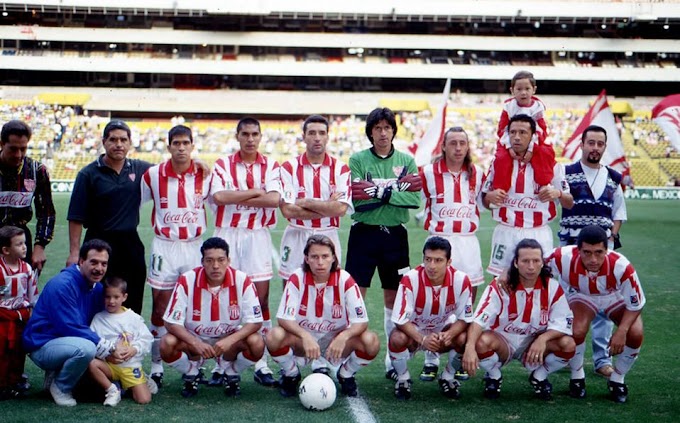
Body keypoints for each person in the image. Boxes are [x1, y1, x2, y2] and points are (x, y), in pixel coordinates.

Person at [346, 107, 421, 381]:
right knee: (355, 296)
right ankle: (347, 358)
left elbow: (414, 200)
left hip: (395, 236)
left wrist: (377, 192)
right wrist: (394, 190)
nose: (382, 132)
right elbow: (358, 201)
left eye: (387, 127)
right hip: (363, 234)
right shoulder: (357, 160)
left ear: (393, 130)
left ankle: (393, 360)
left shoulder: (406, 160)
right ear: (370, 132)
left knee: (394, 298)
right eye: (377, 128)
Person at [210, 117, 281, 387]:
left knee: (260, 300)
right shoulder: (223, 164)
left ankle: (260, 363)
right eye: (245, 134)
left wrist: (236, 194)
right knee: (225, 298)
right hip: (227, 234)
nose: (250, 139)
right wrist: (253, 192)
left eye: (255, 134)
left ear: (260, 137)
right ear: (237, 136)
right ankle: (222, 364)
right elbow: (220, 197)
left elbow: (274, 200)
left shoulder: (271, 165)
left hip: (257, 236)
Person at [140, 124, 211, 388]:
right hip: (164, 246)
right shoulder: (153, 175)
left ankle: (194, 365)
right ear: (168, 146)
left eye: (185, 143)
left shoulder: (206, 174)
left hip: (194, 246)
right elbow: (134, 202)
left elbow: (218, 202)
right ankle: (157, 366)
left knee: (194, 307)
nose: (181, 148)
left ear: (192, 145)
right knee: (160, 306)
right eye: (176, 143)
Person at [267, 235, 379, 398]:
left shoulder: (345, 279)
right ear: (306, 258)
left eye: (325, 256)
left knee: (371, 341)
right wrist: (305, 336)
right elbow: (284, 318)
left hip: (335, 342)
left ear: (333, 258)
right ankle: (291, 374)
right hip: (304, 342)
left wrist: (343, 337)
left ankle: (346, 374)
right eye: (314, 257)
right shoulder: (297, 278)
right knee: (273, 336)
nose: (320, 262)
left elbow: (361, 322)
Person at [463, 239, 575, 401]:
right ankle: (494, 376)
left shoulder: (552, 287)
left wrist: (543, 339)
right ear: (515, 263)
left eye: (536, 261)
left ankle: (539, 376)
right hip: (503, 342)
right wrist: (469, 347)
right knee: (480, 342)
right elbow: (479, 320)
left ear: (542, 263)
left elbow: (564, 320)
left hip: (533, 342)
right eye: (525, 261)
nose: (531, 266)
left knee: (568, 344)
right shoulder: (500, 286)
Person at [558, 124, 628, 379]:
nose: (595, 148)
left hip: (601, 254)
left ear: (604, 147)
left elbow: (618, 212)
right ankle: (568, 353)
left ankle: (601, 359)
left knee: (603, 305)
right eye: (591, 143)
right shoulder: (566, 173)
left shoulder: (614, 178)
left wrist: (610, 237)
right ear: (582, 144)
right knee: (568, 304)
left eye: (600, 143)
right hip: (571, 251)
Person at [547, 225, 645, 403]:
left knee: (635, 333)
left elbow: (636, 304)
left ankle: (617, 379)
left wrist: (621, 331)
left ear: (607, 249)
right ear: (578, 250)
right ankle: (577, 376)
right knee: (576, 330)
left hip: (614, 297)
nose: (593, 259)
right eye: (587, 252)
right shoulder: (561, 256)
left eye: (599, 252)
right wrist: (506, 275)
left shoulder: (622, 266)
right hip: (583, 295)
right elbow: (532, 260)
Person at [418, 126, 485, 381]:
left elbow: (486, 200)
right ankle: (431, 357)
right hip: (438, 242)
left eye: (462, 143)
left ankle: (457, 358)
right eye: (453, 143)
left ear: (468, 147)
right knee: (433, 302)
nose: (458, 148)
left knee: (466, 304)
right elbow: (414, 198)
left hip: (468, 243)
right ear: (444, 146)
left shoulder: (477, 173)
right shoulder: (427, 173)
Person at [23, 239, 125, 406]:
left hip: (66, 342)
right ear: (81, 261)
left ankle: (56, 375)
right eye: (94, 262)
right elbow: (70, 327)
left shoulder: (97, 288)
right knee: (87, 348)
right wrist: (109, 348)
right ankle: (60, 387)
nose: (99, 268)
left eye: (103, 264)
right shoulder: (62, 285)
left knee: (91, 350)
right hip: (42, 344)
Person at [67, 120, 153, 314]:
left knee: (132, 294)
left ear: (130, 143)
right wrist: (74, 253)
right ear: (104, 141)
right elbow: (76, 217)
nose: (118, 144)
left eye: (123, 140)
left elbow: (169, 170)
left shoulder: (139, 168)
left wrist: (195, 162)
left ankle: (130, 339)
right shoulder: (88, 174)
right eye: (113, 139)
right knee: (98, 296)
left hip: (130, 243)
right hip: (98, 242)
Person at [160, 237, 264, 398]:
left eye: (221, 260)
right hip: (195, 339)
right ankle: (192, 372)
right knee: (167, 343)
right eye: (209, 260)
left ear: (228, 260)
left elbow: (255, 321)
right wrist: (196, 342)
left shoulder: (242, 280)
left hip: (228, 339)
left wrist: (230, 340)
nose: (215, 266)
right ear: (202, 261)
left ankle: (231, 372)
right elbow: (170, 322)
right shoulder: (187, 280)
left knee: (257, 342)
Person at [482, 114, 574, 277]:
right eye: (513, 132)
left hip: (538, 232)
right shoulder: (498, 163)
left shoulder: (551, 165)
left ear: (533, 136)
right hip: (506, 232)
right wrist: (490, 197)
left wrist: (557, 193)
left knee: (540, 281)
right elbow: (485, 201)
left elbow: (569, 203)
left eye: (523, 132)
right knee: (502, 281)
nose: (517, 137)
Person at [388, 237, 473, 400]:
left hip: (442, 330)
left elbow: (465, 318)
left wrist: (449, 335)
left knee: (463, 337)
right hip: (416, 330)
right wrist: (423, 339)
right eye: (428, 259)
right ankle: (403, 378)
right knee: (397, 338)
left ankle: (448, 377)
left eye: (438, 260)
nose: (432, 266)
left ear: (449, 262)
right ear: (423, 259)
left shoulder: (461, 280)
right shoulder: (410, 279)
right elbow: (400, 320)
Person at [88, 277, 156, 406]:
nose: (111, 301)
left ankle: (136, 382)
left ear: (124, 297)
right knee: (92, 364)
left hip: (129, 366)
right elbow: (92, 342)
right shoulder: (98, 318)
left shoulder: (133, 318)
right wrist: (107, 355)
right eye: (107, 297)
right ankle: (112, 390)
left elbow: (147, 338)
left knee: (144, 400)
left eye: (116, 297)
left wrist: (134, 348)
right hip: (109, 366)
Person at [0, 120, 56, 272]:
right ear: (1, 144)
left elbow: (46, 212)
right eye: (13, 149)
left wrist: (40, 246)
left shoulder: (37, 171)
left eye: (23, 149)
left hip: (21, 242)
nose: (18, 155)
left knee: (20, 291)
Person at [493, 71, 555, 191]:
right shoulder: (508, 107)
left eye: (527, 88)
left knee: (546, 152)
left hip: (532, 141)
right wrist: (509, 147)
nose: (523, 93)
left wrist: (532, 148)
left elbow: (541, 130)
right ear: (512, 90)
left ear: (534, 90)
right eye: (519, 89)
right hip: (510, 141)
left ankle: (544, 183)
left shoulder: (537, 107)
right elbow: (502, 129)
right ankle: (500, 188)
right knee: (501, 158)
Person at [0, 226, 38, 400]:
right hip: (3, 318)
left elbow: (32, 295)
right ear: (6, 250)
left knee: (17, 350)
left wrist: (32, 312)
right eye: (19, 244)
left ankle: (15, 380)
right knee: (2, 350)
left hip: (21, 317)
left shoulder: (27, 269)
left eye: (24, 243)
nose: (24, 247)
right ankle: (2, 383)